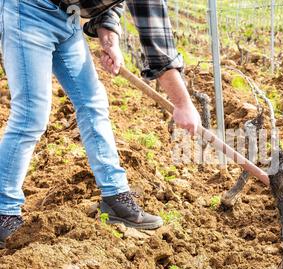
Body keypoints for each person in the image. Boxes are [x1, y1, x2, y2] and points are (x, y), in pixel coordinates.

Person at [0, 0, 201, 248]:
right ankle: (4, 211)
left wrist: (109, 37)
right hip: (29, 10)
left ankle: (115, 196)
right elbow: (152, 25)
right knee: (31, 115)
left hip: (68, 17)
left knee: (93, 102)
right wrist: (182, 102)